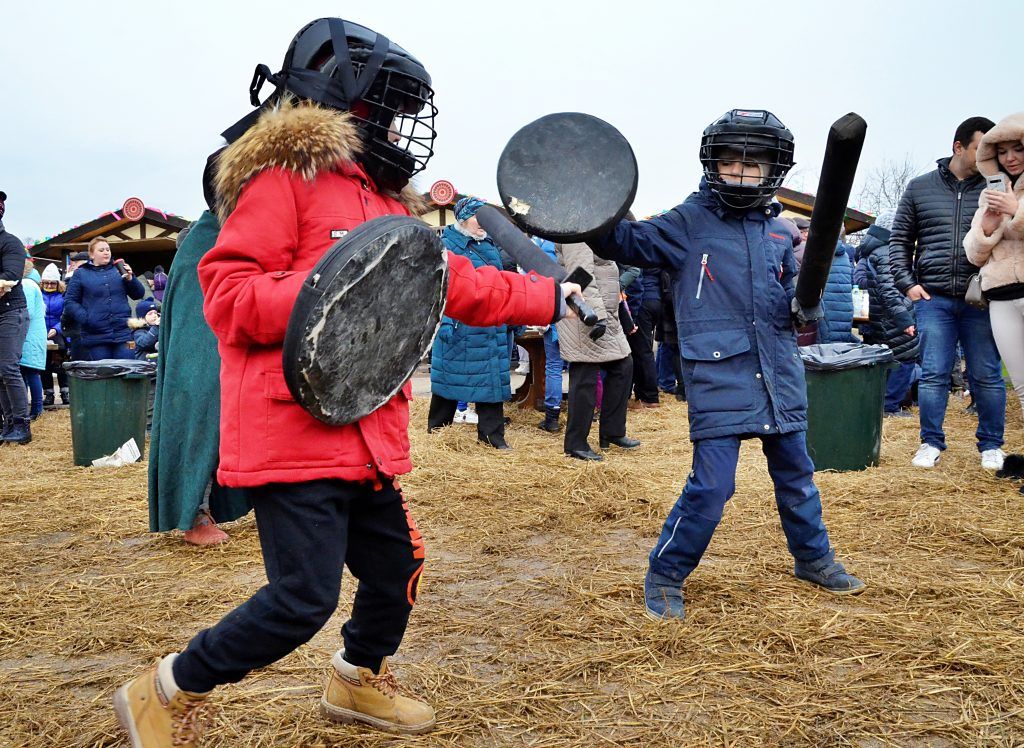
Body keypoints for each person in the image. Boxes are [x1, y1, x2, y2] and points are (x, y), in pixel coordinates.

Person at [114, 18, 579, 747]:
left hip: (367, 432)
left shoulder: (388, 202)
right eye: (385, 108)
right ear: (336, 98)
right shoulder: (282, 180)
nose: (396, 126)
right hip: (289, 433)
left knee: (398, 567)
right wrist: (330, 293)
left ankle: (356, 678)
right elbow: (229, 296)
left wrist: (552, 299)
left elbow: (452, 281)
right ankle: (166, 689)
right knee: (302, 598)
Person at [591, 109, 865, 621]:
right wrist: (590, 207)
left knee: (798, 475)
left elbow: (794, 292)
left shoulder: (781, 231)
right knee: (714, 485)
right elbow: (624, 242)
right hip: (718, 372)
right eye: (731, 162)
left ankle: (813, 558)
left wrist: (807, 305)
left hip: (779, 372)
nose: (741, 172)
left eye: (753, 164)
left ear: (772, 170)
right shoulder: (687, 222)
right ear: (713, 164)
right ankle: (667, 572)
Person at [889, 116, 1006, 470]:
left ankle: (991, 445)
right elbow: (899, 240)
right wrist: (907, 283)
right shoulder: (919, 187)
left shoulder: (996, 189)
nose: (990, 156)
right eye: (981, 148)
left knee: (986, 374)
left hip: (982, 298)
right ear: (958, 146)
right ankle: (930, 442)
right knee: (934, 374)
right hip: (933, 298)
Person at [148, 156, 252, 551]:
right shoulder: (206, 239)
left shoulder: (234, 232)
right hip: (206, 349)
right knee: (202, 405)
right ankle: (194, 512)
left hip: (233, 348)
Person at [427, 196, 515, 450]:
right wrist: (443, 323)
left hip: (491, 327)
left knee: (492, 382)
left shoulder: (489, 246)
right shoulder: (445, 245)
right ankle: (438, 432)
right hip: (458, 326)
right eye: (479, 216)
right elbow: (437, 290)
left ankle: (492, 437)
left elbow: (501, 283)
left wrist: (511, 315)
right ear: (463, 218)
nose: (484, 223)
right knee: (449, 379)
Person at [964, 112, 1024, 422]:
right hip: (1000, 296)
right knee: (1022, 387)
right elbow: (973, 256)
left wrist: (1017, 211)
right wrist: (986, 228)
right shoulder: (991, 194)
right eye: (1002, 151)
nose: (1010, 158)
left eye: (1018, 149)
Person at [556, 241, 639, 461]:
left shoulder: (591, 228)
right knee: (585, 378)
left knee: (623, 366)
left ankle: (612, 432)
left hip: (605, 313)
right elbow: (579, 275)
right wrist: (594, 316)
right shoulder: (576, 232)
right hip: (585, 315)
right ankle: (576, 444)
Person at [853, 210, 920, 416]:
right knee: (906, 359)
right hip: (892, 318)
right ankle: (888, 406)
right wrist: (904, 319)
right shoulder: (887, 252)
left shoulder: (870, 251)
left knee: (881, 361)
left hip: (878, 317)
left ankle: (876, 402)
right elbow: (890, 290)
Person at [63, 238, 145, 360]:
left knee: (126, 371)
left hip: (122, 332)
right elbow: (70, 302)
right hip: (95, 335)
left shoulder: (119, 270)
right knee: (103, 374)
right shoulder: (80, 274)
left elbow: (138, 294)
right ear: (92, 255)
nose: (106, 252)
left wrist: (131, 279)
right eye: (101, 250)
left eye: (108, 249)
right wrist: (86, 318)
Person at [0, 190, 31, 444]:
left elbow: (9, 277)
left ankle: (22, 424)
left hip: (12, 311)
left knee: (8, 367)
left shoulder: (10, 242)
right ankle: (9, 423)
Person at [534, 235, 566, 432]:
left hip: (552, 309)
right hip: (575, 310)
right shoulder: (575, 240)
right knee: (582, 366)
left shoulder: (540, 244)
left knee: (553, 366)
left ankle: (552, 417)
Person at [19, 258, 46, 424]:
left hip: (29, 335)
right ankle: (32, 409)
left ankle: (37, 409)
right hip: (29, 334)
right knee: (26, 372)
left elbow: (26, 311)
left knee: (30, 371)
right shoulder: (30, 283)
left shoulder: (27, 285)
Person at [39, 263, 69, 407]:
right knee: (44, 364)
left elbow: (65, 316)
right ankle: (49, 393)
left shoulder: (63, 296)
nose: (49, 285)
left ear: (58, 283)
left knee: (60, 361)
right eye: (47, 283)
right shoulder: (38, 295)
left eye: (52, 283)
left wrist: (57, 329)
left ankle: (65, 392)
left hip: (58, 331)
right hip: (41, 332)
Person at [817, 234, 856, 344]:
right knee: (838, 346)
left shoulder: (817, 252)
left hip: (825, 307)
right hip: (844, 307)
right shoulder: (844, 255)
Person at [61, 251, 88, 361]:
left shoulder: (76, 281)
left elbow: (69, 306)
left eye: (76, 263)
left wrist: (64, 323)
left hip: (80, 329)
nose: (74, 266)